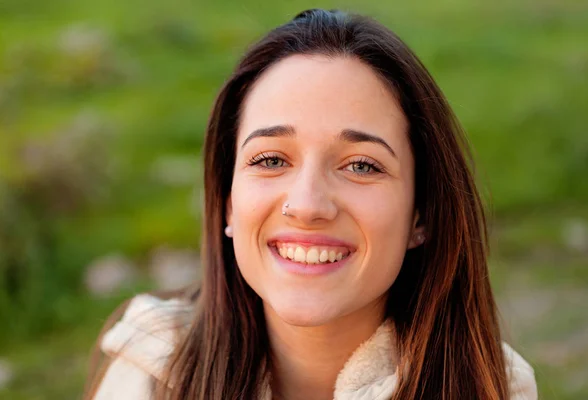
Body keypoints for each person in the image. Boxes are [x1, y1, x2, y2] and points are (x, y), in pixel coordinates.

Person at [84, 8, 537, 400]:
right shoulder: (150, 373)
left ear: (421, 214)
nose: (307, 205)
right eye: (271, 159)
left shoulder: (492, 388)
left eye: (361, 165)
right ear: (227, 203)